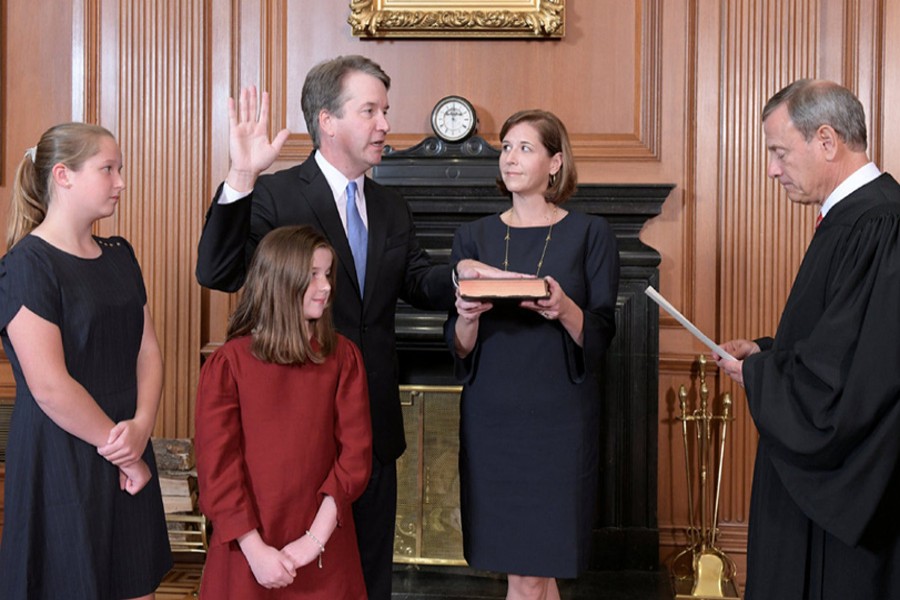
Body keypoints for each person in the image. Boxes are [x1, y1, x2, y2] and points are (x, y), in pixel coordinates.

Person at [195, 55, 499, 598]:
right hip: (299, 438)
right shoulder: (276, 195)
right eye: (371, 111)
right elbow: (217, 272)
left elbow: (414, 280)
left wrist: (461, 278)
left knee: (368, 582)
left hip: (372, 432)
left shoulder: (390, 205)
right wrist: (242, 174)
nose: (385, 124)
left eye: (386, 110)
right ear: (327, 120)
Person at [715, 79, 900, 599]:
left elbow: (854, 382)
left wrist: (759, 376)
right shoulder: (855, 218)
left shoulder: (878, 222)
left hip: (854, 493)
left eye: (778, 152)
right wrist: (769, 354)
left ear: (826, 140)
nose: (772, 169)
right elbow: (843, 342)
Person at [446, 110, 620, 600]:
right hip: (492, 418)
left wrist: (564, 308)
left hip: (558, 419)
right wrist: (466, 315)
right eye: (505, 147)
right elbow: (458, 346)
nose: (510, 157)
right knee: (528, 572)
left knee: (533, 570)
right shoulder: (473, 238)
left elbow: (603, 332)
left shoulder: (591, 234)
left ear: (555, 162)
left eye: (525, 147)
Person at [0, 123, 172, 599]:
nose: (120, 182)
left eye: (120, 170)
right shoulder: (26, 265)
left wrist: (140, 427)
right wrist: (124, 450)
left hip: (126, 443)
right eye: (108, 169)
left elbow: (148, 351)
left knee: (137, 585)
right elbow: (50, 387)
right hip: (62, 456)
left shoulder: (120, 255)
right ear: (63, 175)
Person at [195, 225, 372, 599]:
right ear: (280, 280)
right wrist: (255, 550)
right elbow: (218, 471)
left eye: (327, 274)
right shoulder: (228, 365)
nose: (325, 286)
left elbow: (354, 458)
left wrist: (313, 541)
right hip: (245, 550)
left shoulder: (343, 358)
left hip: (325, 549)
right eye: (312, 276)